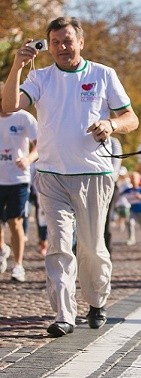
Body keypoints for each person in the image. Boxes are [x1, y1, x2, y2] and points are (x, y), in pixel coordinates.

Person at [2, 16, 139, 337]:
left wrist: (111, 125)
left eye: (67, 41)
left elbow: (129, 118)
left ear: (80, 42)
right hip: (51, 175)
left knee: (91, 247)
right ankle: (64, 313)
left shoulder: (103, 75)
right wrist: (16, 67)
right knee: (59, 246)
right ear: (48, 47)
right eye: (55, 43)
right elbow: (7, 106)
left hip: (94, 173)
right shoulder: (40, 77)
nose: (62, 47)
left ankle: (96, 301)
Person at [0, 81, 38, 281]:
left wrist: (28, 159)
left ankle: (18, 265)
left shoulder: (24, 117)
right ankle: (2, 251)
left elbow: (40, 146)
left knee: (15, 222)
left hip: (18, 179)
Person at [122, 171, 141, 247]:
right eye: (131, 178)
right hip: (132, 209)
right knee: (129, 222)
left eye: (134, 178)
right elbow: (120, 194)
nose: (132, 180)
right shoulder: (128, 190)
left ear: (138, 179)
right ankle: (131, 239)